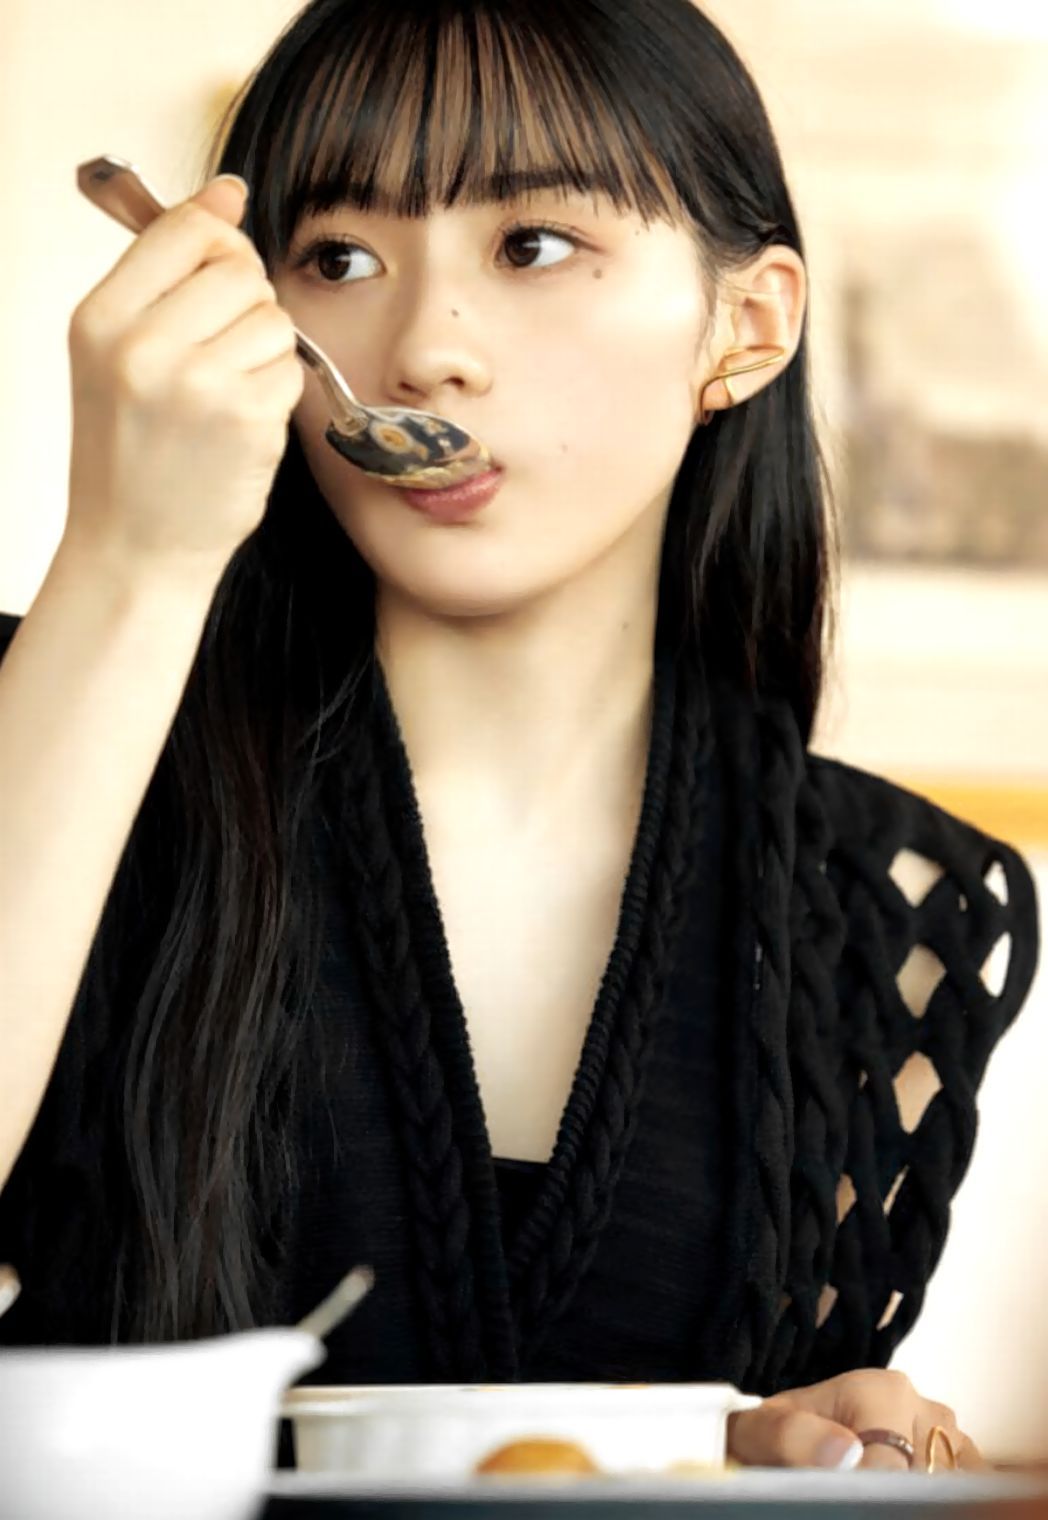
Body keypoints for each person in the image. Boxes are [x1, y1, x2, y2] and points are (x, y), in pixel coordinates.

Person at [0, 0, 1040, 1477]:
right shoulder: (55, 715)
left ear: (746, 327)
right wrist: (128, 557)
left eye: (533, 245)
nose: (424, 349)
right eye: (338, 260)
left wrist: (747, 1446)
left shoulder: (893, 908)